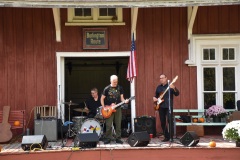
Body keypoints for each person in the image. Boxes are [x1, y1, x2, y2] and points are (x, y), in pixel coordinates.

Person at [101, 75, 129, 144]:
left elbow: (122, 98)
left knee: (118, 124)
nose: (115, 83)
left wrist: (125, 101)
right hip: (108, 109)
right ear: (110, 81)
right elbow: (102, 98)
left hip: (118, 108)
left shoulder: (120, 88)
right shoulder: (107, 88)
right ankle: (108, 138)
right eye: (114, 82)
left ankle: (118, 138)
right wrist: (104, 107)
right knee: (108, 124)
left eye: (116, 82)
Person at [153, 74, 179, 142]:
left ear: (166, 78)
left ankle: (171, 137)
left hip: (168, 106)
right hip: (161, 106)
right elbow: (156, 96)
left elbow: (177, 94)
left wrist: (174, 88)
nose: (161, 79)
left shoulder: (170, 86)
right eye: (160, 78)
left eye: (162, 78)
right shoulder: (158, 87)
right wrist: (154, 98)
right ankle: (166, 136)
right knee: (162, 122)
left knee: (170, 121)